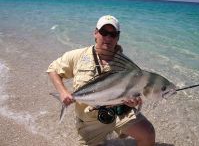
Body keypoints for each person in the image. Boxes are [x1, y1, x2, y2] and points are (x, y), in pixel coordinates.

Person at [47, 15, 155, 146]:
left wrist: (134, 103)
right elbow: (53, 69)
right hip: (89, 122)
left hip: (119, 114)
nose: (108, 38)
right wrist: (63, 92)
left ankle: (121, 131)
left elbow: (136, 92)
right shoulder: (78, 56)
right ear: (95, 33)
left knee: (148, 134)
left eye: (113, 34)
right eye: (104, 33)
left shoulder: (126, 65)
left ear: (118, 37)